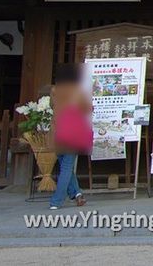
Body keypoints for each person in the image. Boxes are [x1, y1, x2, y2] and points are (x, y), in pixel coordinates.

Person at [49, 63, 92, 210]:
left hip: (58, 132)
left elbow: (51, 106)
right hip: (73, 134)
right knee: (67, 167)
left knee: (64, 165)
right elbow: (87, 108)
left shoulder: (54, 90)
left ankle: (77, 194)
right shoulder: (78, 91)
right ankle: (56, 201)